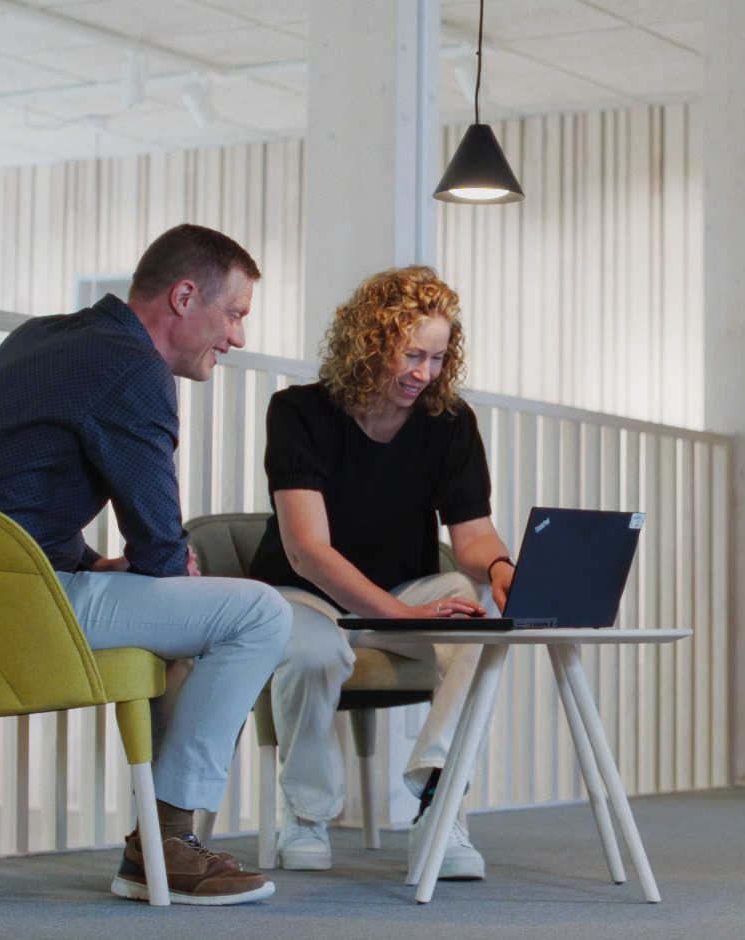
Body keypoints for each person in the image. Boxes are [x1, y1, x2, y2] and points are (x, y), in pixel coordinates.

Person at [0, 223, 291, 906]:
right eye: (234, 312)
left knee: (188, 620)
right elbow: (158, 545)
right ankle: (169, 843)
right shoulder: (132, 366)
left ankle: (154, 846)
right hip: (18, 604)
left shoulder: (45, 335)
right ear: (185, 296)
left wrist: (100, 566)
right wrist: (161, 570)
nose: (238, 337)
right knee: (257, 612)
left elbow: (12, 492)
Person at [248, 265, 515, 880]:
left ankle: (437, 799)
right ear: (369, 344)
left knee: (487, 614)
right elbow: (307, 550)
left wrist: (500, 566)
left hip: (405, 593)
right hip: (305, 595)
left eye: (439, 358)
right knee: (315, 654)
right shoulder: (298, 413)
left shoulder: (451, 423)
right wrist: (401, 614)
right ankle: (306, 816)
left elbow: (471, 535)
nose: (426, 374)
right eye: (413, 355)